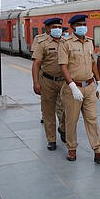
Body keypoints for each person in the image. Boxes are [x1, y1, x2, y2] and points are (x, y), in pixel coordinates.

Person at [58, 14, 100, 163]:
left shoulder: (89, 42)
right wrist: (71, 85)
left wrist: (99, 81)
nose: (83, 26)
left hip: (89, 86)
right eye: (79, 24)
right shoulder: (66, 43)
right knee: (72, 120)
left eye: (84, 24)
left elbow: (93, 63)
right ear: (73, 27)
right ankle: (71, 149)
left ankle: (98, 150)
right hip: (73, 88)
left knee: (92, 119)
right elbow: (63, 66)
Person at [31, 17, 66, 150]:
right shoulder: (42, 43)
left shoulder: (66, 42)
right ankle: (51, 139)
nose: (57, 29)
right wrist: (36, 82)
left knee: (66, 110)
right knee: (48, 112)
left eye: (59, 27)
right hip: (47, 81)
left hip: (64, 82)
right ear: (47, 28)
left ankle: (63, 128)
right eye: (54, 27)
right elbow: (36, 64)